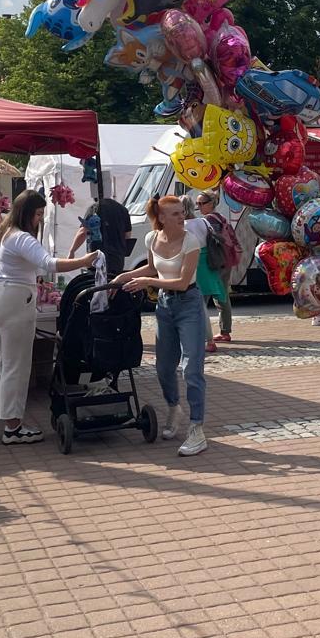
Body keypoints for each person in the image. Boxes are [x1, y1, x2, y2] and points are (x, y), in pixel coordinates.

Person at [0, 191, 98, 445]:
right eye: (38, 214)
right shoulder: (22, 237)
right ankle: (13, 427)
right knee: (16, 366)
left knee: (4, 363)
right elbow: (49, 264)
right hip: (15, 300)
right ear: (27, 213)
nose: (39, 219)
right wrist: (85, 259)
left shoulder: (2, 232)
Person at [115, 196, 210, 456]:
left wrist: (147, 282)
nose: (182, 217)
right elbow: (153, 267)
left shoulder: (191, 241)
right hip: (165, 307)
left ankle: (196, 428)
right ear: (162, 218)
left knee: (191, 367)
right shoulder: (152, 239)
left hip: (189, 302)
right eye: (176, 214)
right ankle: (173, 408)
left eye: (182, 212)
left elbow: (181, 281)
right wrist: (128, 274)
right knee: (163, 367)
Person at [192, 190, 236, 345]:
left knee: (205, 296)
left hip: (214, 261)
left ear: (211, 203)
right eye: (197, 204)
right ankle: (225, 331)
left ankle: (212, 333)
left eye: (201, 203)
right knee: (222, 295)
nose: (198, 207)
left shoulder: (209, 220)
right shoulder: (221, 218)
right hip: (224, 260)